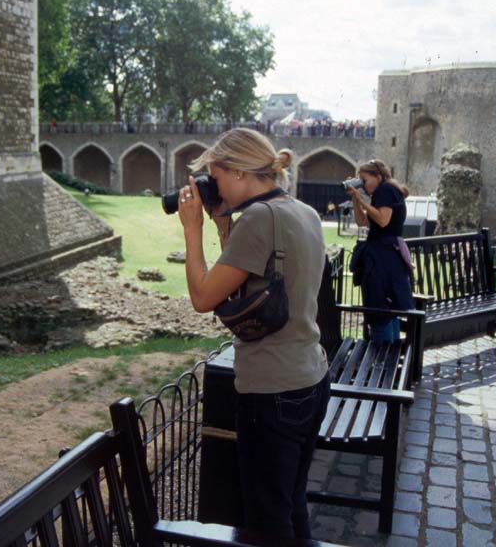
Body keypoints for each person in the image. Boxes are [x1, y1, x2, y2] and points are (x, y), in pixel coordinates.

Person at [176, 128, 330, 540]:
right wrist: (224, 222)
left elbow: (204, 297)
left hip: (272, 389)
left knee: (266, 518)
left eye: (218, 176)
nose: (216, 187)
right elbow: (247, 277)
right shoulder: (301, 211)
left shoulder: (260, 218)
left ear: (240, 173)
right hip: (310, 378)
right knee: (291, 501)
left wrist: (192, 230)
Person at [346, 159, 414, 342]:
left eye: (364, 179)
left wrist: (361, 198)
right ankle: (390, 356)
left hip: (383, 258)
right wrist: (355, 198)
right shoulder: (383, 192)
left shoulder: (385, 190)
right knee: (387, 310)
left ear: (378, 177)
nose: (363, 184)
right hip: (385, 256)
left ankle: (382, 358)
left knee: (379, 308)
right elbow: (363, 222)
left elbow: (383, 220)